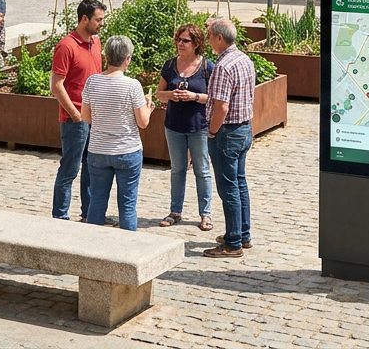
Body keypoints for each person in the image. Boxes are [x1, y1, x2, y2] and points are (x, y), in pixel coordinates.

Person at [81, 35, 153, 231]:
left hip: (98, 150)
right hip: (127, 150)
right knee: (127, 205)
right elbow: (143, 122)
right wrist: (148, 106)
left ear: (106, 56)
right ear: (127, 58)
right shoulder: (132, 86)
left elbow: (86, 117)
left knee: (96, 201)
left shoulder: (92, 82)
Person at [154, 23, 215, 232]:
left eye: (185, 40)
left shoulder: (207, 67)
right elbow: (158, 93)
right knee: (178, 169)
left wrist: (194, 96)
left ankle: (205, 214)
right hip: (174, 125)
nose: (180, 43)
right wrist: (170, 95)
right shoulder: (170, 65)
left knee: (202, 170)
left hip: (199, 126)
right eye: (178, 39)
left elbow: (215, 98)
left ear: (196, 43)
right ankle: (175, 211)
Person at [204, 18, 256, 258]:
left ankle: (233, 243)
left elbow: (221, 107)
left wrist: (213, 131)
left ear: (219, 39)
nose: (208, 40)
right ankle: (242, 234)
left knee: (229, 189)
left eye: (210, 35)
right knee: (240, 183)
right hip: (244, 129)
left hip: (227, 133)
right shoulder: (244, 59)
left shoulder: (224, 66)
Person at [51, 0, 106, 222]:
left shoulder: (96, 42)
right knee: (70, 169)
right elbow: (56, 85)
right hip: (75, 120)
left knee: (91, 169)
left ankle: (89, 215)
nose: (101, 23)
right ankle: (60, 216)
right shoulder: (67, 46)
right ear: (84, 19)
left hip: (94, 117)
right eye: (98, 19)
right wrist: (75, 115)